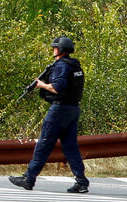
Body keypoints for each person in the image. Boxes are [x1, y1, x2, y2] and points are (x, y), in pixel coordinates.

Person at [10, 36, 89, 193]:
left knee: (44, 144)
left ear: (60, 50)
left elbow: (58, 88)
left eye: (55, 47)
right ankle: (81, 182)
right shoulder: (75, 66)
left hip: (59, 110)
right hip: (73, 110)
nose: (53, 49)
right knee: (70, 147)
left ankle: (29, 178)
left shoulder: (62, 66)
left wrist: (41, 85)